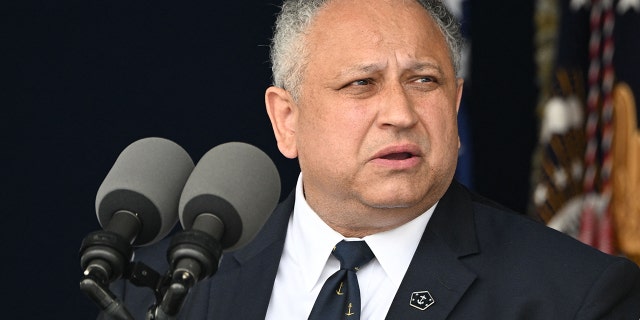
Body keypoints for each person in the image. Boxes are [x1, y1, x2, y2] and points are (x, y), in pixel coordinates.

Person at [99, 0, 640, 319]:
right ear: (286, 120)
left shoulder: (575, 297)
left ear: (454, 103)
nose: (400, 114)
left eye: (423, 81)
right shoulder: (171, 290)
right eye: (362, 84)